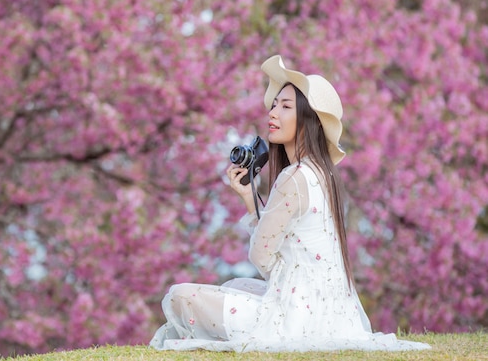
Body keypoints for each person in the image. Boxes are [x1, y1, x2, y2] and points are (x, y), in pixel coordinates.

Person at [149, 55, 431, 352]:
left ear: (308, 119)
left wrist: (252, 211)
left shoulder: (293, 178)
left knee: (180, 295)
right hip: (331, 315)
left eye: (285, 107)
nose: (273, 113)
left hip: (296, 319)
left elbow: (262, 259)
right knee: (234, 286)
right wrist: (250, 197)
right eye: (274, 105)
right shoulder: (322, 174)